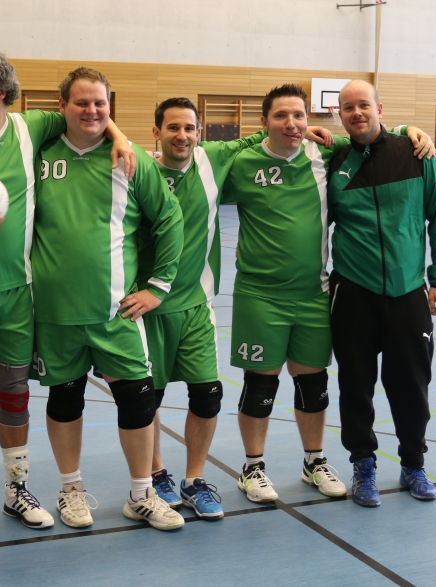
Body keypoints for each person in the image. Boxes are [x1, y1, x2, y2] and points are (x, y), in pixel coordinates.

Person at [0, 50, 135, 542]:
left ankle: (17, 489)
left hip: (18, 294)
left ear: (2, 92)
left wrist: (119, 136)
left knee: (15, 395)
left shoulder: (30, 128)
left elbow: (90, 113)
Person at [222, 83, 434, 504]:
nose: (291, 123)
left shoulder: (325, 154)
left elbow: (369, 137)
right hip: (259, 295)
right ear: (264, 121)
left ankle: (314, 461)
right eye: (280, 116)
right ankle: (253, 467)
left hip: (313, 293)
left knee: (313, 384)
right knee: (260, 386)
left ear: (310, 120)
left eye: (299, 116)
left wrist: (407, 129)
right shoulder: (241, 163)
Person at [142, 98, 331, 519]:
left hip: (201, 303)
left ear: (200, 132)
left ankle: (195, 480)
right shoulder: (140, 171)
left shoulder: (212, 160)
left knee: (208, 395)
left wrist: (406, 130)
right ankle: (156, 476)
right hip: (152, 304)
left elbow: (365, 133)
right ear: (156, 132)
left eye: (189, 128)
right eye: (172, 127)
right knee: (148, 397)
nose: (182, 136)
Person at [31, 67, 185, 531]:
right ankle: (71, 489)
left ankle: (141, 494)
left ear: (110, 107)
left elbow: (169, 220)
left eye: (100, 103)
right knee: (65, 400)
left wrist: (158, 286)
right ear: (62, 106)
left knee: (137, 399)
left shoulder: (130, 159)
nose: (92, 110)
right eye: (81, 102)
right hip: (55, 312)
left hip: (116, 312)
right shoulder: (37, 154)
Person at [327, 79, 436, 507]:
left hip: (407, 291)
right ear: (339, 114)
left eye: (364, 105)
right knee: (355, 386)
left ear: (379, 109)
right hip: (353, 292)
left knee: (411, 386)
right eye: (348, 107)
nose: (357, 113)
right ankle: (363, 464)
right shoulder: (333, 160)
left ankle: (413, 464)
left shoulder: (416, 152)